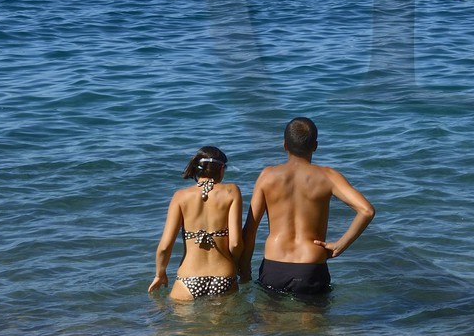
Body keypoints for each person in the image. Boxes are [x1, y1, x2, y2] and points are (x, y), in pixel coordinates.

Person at [239, 116, 375, 301]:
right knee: (313, 327)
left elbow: (250, 231)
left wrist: (245, 272)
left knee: (270, 325)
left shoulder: (267, 176)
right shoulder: (328, 176)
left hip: (274, 265)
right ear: (315, 146)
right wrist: (339, 246)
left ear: (284, 145)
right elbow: (366, 210)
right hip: (311, 265)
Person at [149, 145, 244, 300]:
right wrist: (238, 264)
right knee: (225, 325)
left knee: (187, 325)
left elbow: (165, 247)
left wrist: (160, 274)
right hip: (223, 277)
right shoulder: (231, 191)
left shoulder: (180, 196)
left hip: (188, 278)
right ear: (221, 169)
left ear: (198, 169)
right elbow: (234, 244)